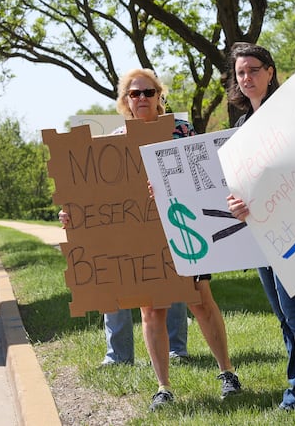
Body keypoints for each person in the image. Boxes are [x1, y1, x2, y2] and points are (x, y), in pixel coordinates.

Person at [59, 68, 242, 412]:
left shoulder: (181, 130)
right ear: (125, 101)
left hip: (184, 228)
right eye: (134, 94)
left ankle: (227, 373)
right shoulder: (114, 139)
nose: (141, 99)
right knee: (151, 309)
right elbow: (98, 197)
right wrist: (74, 216)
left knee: (200, 299)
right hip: (142, 236)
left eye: (148, 92)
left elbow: (205, 175)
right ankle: (164, 387)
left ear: (160, 96)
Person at [224, 42, 295, 421]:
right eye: (240, 73)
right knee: (284, 317)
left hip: (294, 230)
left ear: (270, 71)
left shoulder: (290, 117)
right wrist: (237, 205)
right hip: (259, 235)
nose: (247, 78)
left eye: (253, 69)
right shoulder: (241, 127)